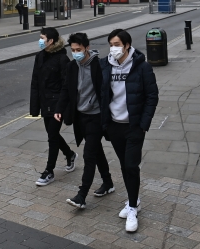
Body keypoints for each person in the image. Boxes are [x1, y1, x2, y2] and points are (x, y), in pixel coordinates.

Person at [100, 29, 159, 233]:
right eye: (111, 44)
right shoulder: (105, 65)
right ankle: (134, 199)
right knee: (125, 166)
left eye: (117, 44)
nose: (113, 48)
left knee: (131, 165)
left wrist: (143, 124)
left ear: (127, 45)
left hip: (134, 126)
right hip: (114, 125)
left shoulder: (141, 67)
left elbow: (152, 96)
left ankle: (132, 207)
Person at [54, 33, 114, 210]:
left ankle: (82, 195)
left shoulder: (99, 65)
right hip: (81, 117)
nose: (75, 54)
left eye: (78, 50)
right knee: (96, 150)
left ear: (87, 48)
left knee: (89, 155)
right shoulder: (72, 66)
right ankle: (108, 182)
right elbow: (66, 89)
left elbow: (106, 91)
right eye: (72, 50)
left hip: (96, 116)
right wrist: (59, 109)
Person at [30, 27, 77, 186]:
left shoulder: (62, 60)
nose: (40, 40)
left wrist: (63, 107)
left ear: (51, 41)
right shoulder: (40, 57)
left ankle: (49, 171)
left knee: (52, 136)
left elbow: (67, 85)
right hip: (45, 102)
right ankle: (70, 154)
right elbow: (35, 82)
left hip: (57, 104)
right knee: (53, 134)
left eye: (42, 38)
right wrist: (35, 106)